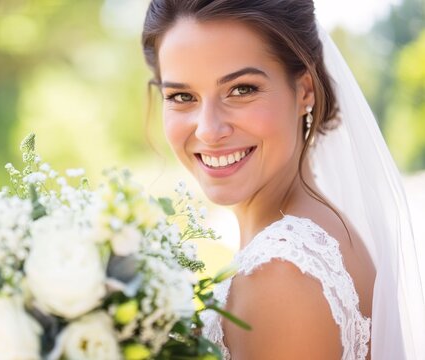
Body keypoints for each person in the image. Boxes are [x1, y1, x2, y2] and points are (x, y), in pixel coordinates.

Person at [141, 1, 425, 359]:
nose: (209, 130)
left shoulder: (280, 273)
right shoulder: (323, 234)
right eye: (182, 96)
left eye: (242, 89)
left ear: (305, 89)